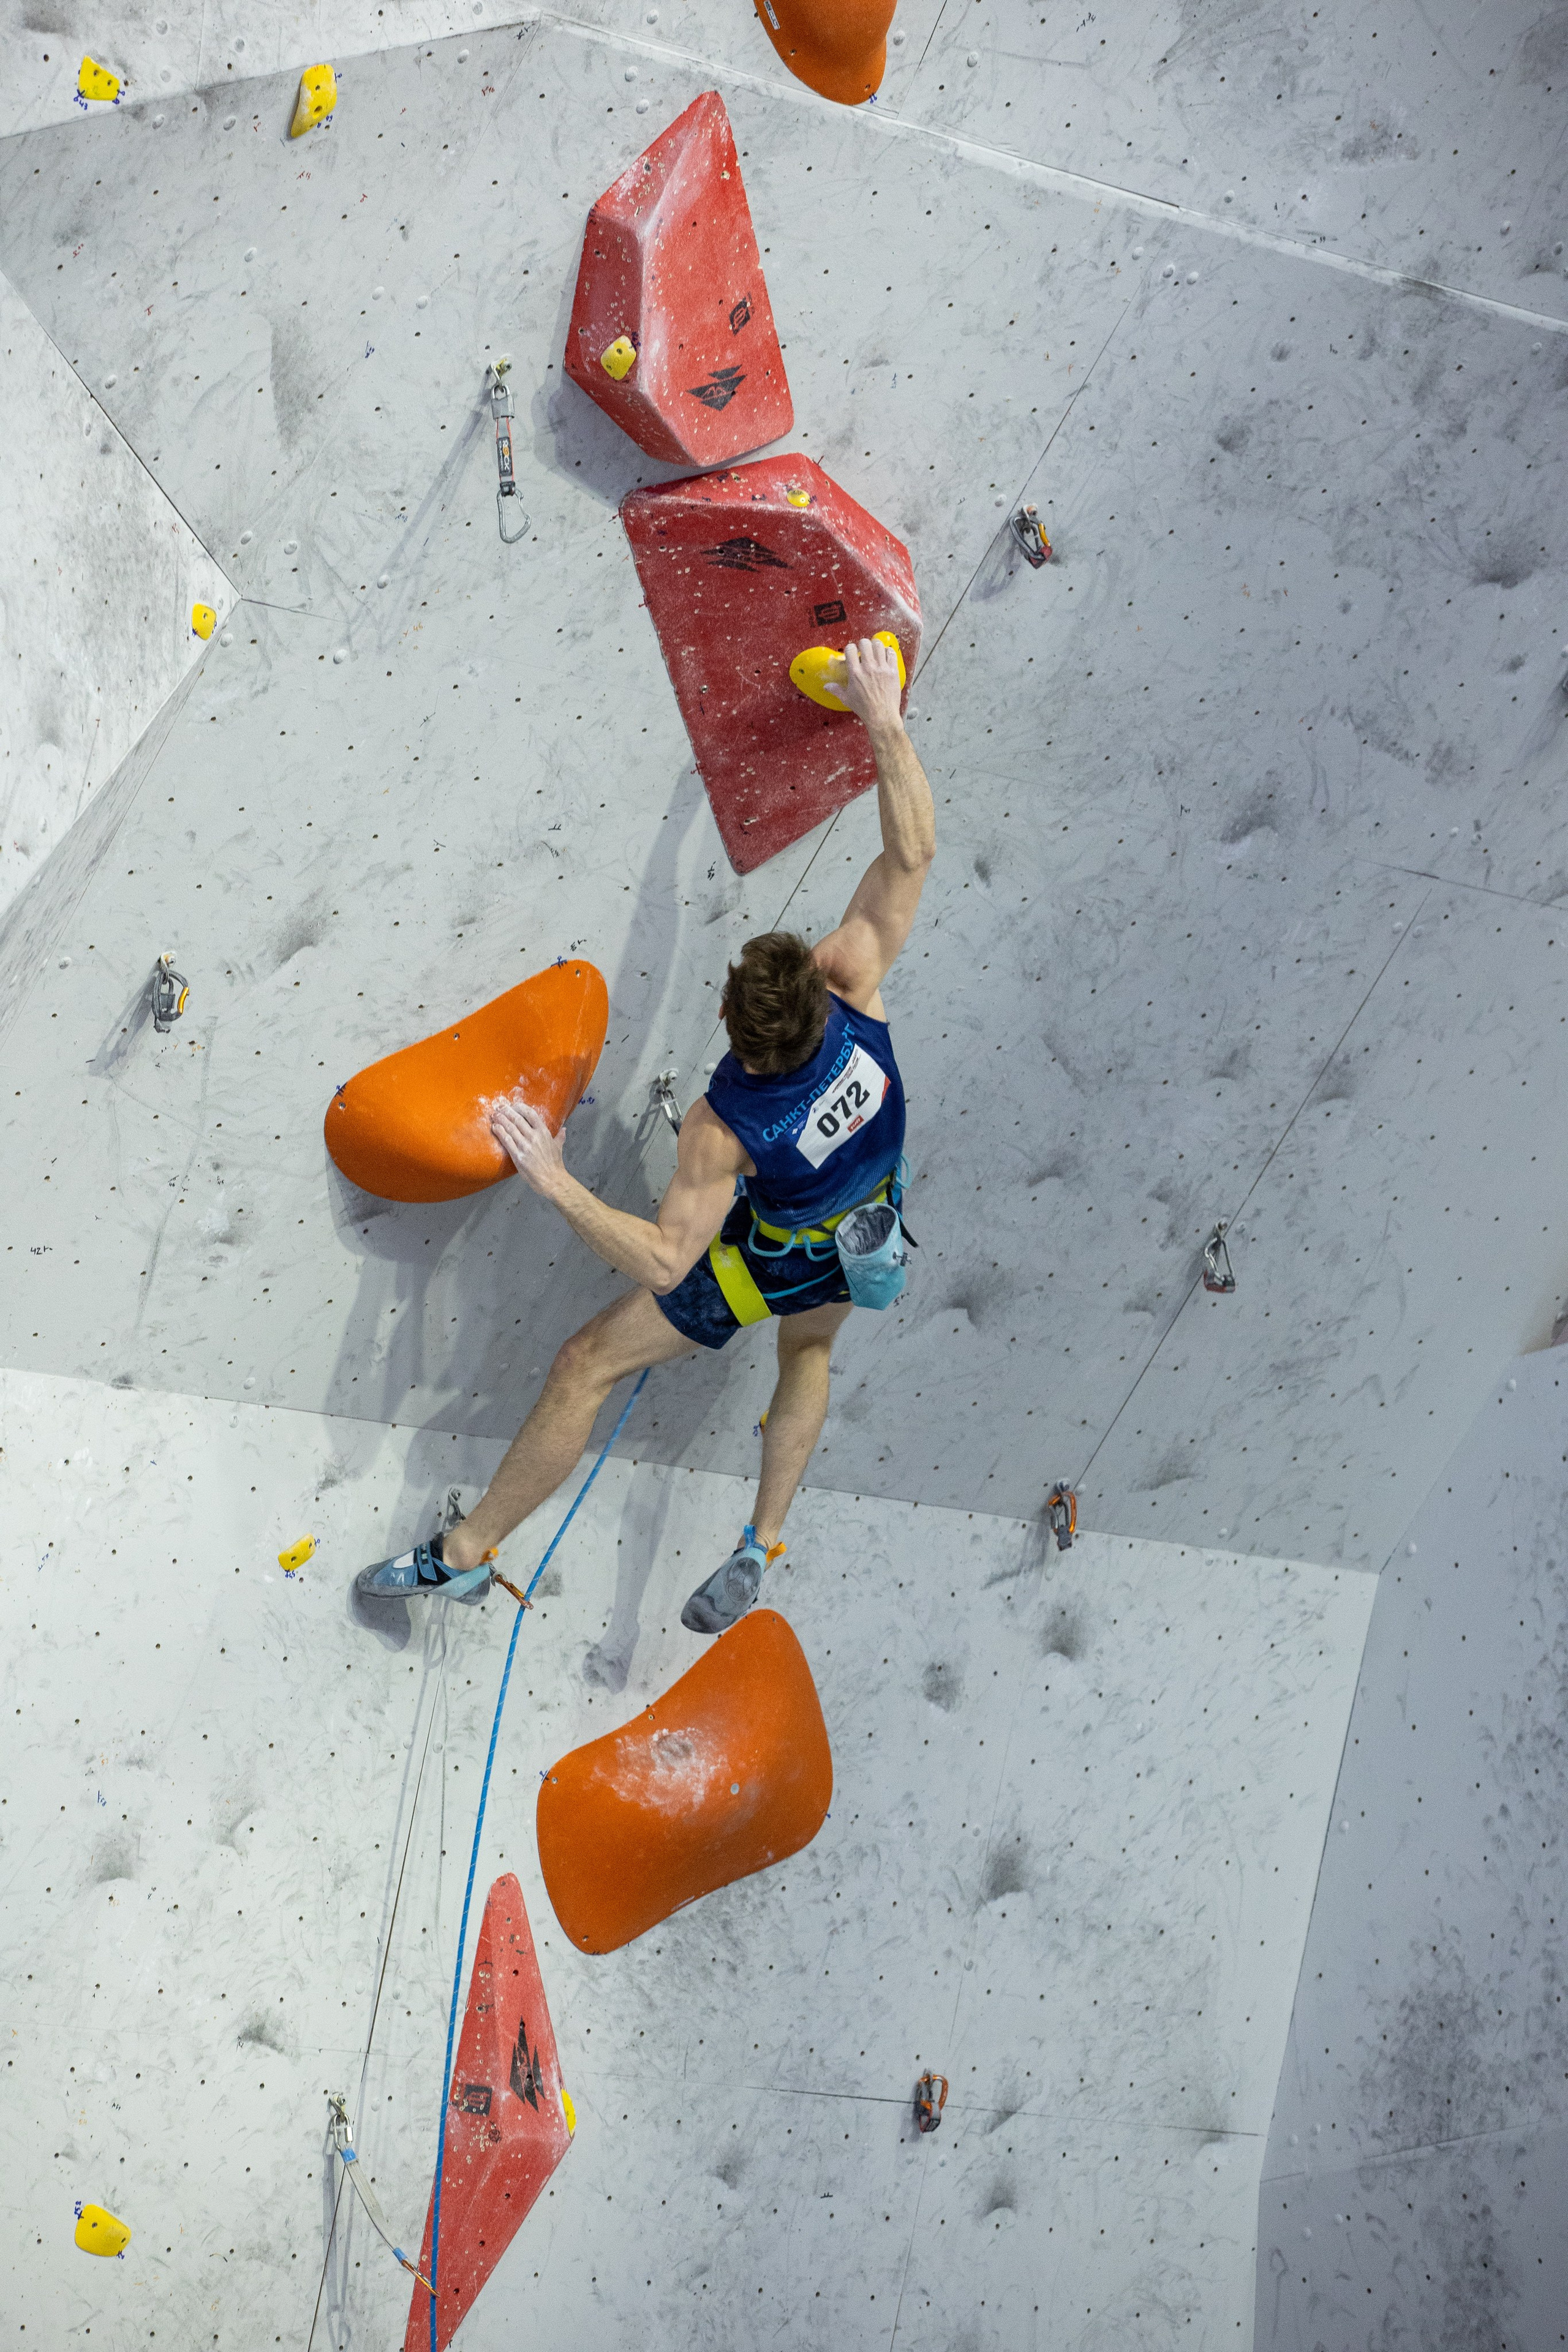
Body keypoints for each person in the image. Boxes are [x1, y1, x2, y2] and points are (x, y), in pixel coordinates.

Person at [358, 636, 935, 1632]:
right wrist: (882, 718)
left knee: (587, 1362)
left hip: (772, 1253)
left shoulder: (723, 1125)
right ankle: (761, 1541)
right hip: (866, 1224)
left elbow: (670, 1261)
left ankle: (464, 1553)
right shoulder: (854, 984)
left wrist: (556, 1180)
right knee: (808, 1359)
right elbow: (912, 851)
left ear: (742, 1040)